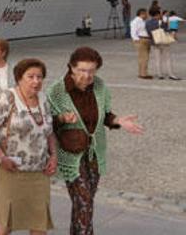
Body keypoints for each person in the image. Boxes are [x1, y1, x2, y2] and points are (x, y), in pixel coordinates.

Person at [48, 47, 144, 235]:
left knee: (85, 202)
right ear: (71, 68)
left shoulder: (100, 86)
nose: (88, 75)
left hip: (94, 152)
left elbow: (106, 115)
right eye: (82, 70)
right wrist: (61, 118)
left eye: (92, 70)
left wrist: (118, 120)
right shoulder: (57, 91)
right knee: (84, 200)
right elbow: (46, 124)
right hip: (70, 154)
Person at [0, 58, 57, 235]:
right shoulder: (8, 97)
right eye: (30, 76)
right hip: (11, 170)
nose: (36, 81)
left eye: (39, 77)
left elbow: (49, 131)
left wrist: (53, 155)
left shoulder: (43, 98)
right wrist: (1, 157)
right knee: (6, 224)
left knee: (39, 223)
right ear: (19, 78)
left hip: (39, 172)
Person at [145, 9, 179, 80]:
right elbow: (168, 30)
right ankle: (171, 74)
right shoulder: (161, 22)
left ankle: (160, 74)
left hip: (154, 42)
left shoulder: (147, 22)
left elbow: (148, 33)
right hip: (163, 41)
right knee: (167, 58)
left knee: (157, 59)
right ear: (157, 14)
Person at [129, 8, 151, 79]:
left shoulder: (142, 21)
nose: (147, 15)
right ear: (142, 13)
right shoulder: (136, 21)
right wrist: (136, 39)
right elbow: (133, 31)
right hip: (141, 39)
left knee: (144, 57)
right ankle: (143, 74)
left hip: (145, 39)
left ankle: (143, 72)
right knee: (143, 57)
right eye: (146, 14)